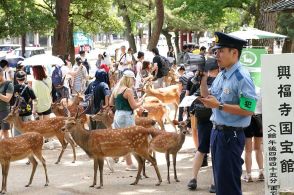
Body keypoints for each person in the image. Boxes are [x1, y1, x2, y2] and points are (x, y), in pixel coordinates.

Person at [199, 32, 256, 195]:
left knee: (228, 186)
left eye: (221, 51)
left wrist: (220, 105)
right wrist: (202, 79)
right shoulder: (222, 74)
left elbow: (249, 109)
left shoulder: (241, 77)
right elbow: (208, 98)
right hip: (217, 133)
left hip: (231, 136)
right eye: (216, 51)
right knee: (220, 183)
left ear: (234, 53)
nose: (217, 55)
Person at [187, 57, 219, 193]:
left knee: (201, 149)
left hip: (204, 118)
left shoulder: (200, 78)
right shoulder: (221, 79)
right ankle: (214, 183)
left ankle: (193, 178)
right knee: (215, 152)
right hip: (214, 118)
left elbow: (193, 93)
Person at [109, 70, 144, 171]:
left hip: (118, 114)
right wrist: (141, 102)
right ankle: (129, 164)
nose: (133, 81)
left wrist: (119, 104)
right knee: (129, 140)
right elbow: (134, 106)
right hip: (126, 115)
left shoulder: (116, 88)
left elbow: (111, 103)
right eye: (133, 79)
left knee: (121, 139)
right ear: (130, 79)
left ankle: (113, 157)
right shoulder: (128, 90)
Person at [242, 89, 264, 182]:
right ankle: (261, 172)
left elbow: (243, 107)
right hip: (260, 119)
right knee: (258, 148)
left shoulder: (244, 91)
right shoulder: (261, 91)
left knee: (248, 150)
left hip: (248, 118)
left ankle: (249, 174)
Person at [13, 71, 36, 136]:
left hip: (17, 112)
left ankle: (18, 143)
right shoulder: (28, 87)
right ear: (25, 78)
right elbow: (34, 98)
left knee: (17, 129)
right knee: (28, 128)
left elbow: (11, 100)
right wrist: (34, 109)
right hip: (28, 111)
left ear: (16, 79)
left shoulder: (14, 87)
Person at [0, 67, 13, 139]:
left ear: (1, 74)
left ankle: (8, 148)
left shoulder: (8, 84)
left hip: (4, 111)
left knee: (5, 131)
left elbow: (7, 99)